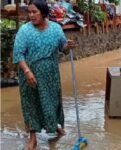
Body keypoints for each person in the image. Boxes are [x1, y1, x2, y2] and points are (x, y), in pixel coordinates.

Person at [13, 0, 75, 149]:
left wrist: (68, 46)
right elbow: (18, 54)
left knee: (52, 102)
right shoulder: (25, 31)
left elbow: (63, 49)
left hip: (51, 75)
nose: (31, 15)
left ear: (44, 13)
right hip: (30, 74)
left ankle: (54, 125)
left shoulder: (55, 29)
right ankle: (33, 137)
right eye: (29, 12)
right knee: (31, 104)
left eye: (35, 12)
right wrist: (27, 72)